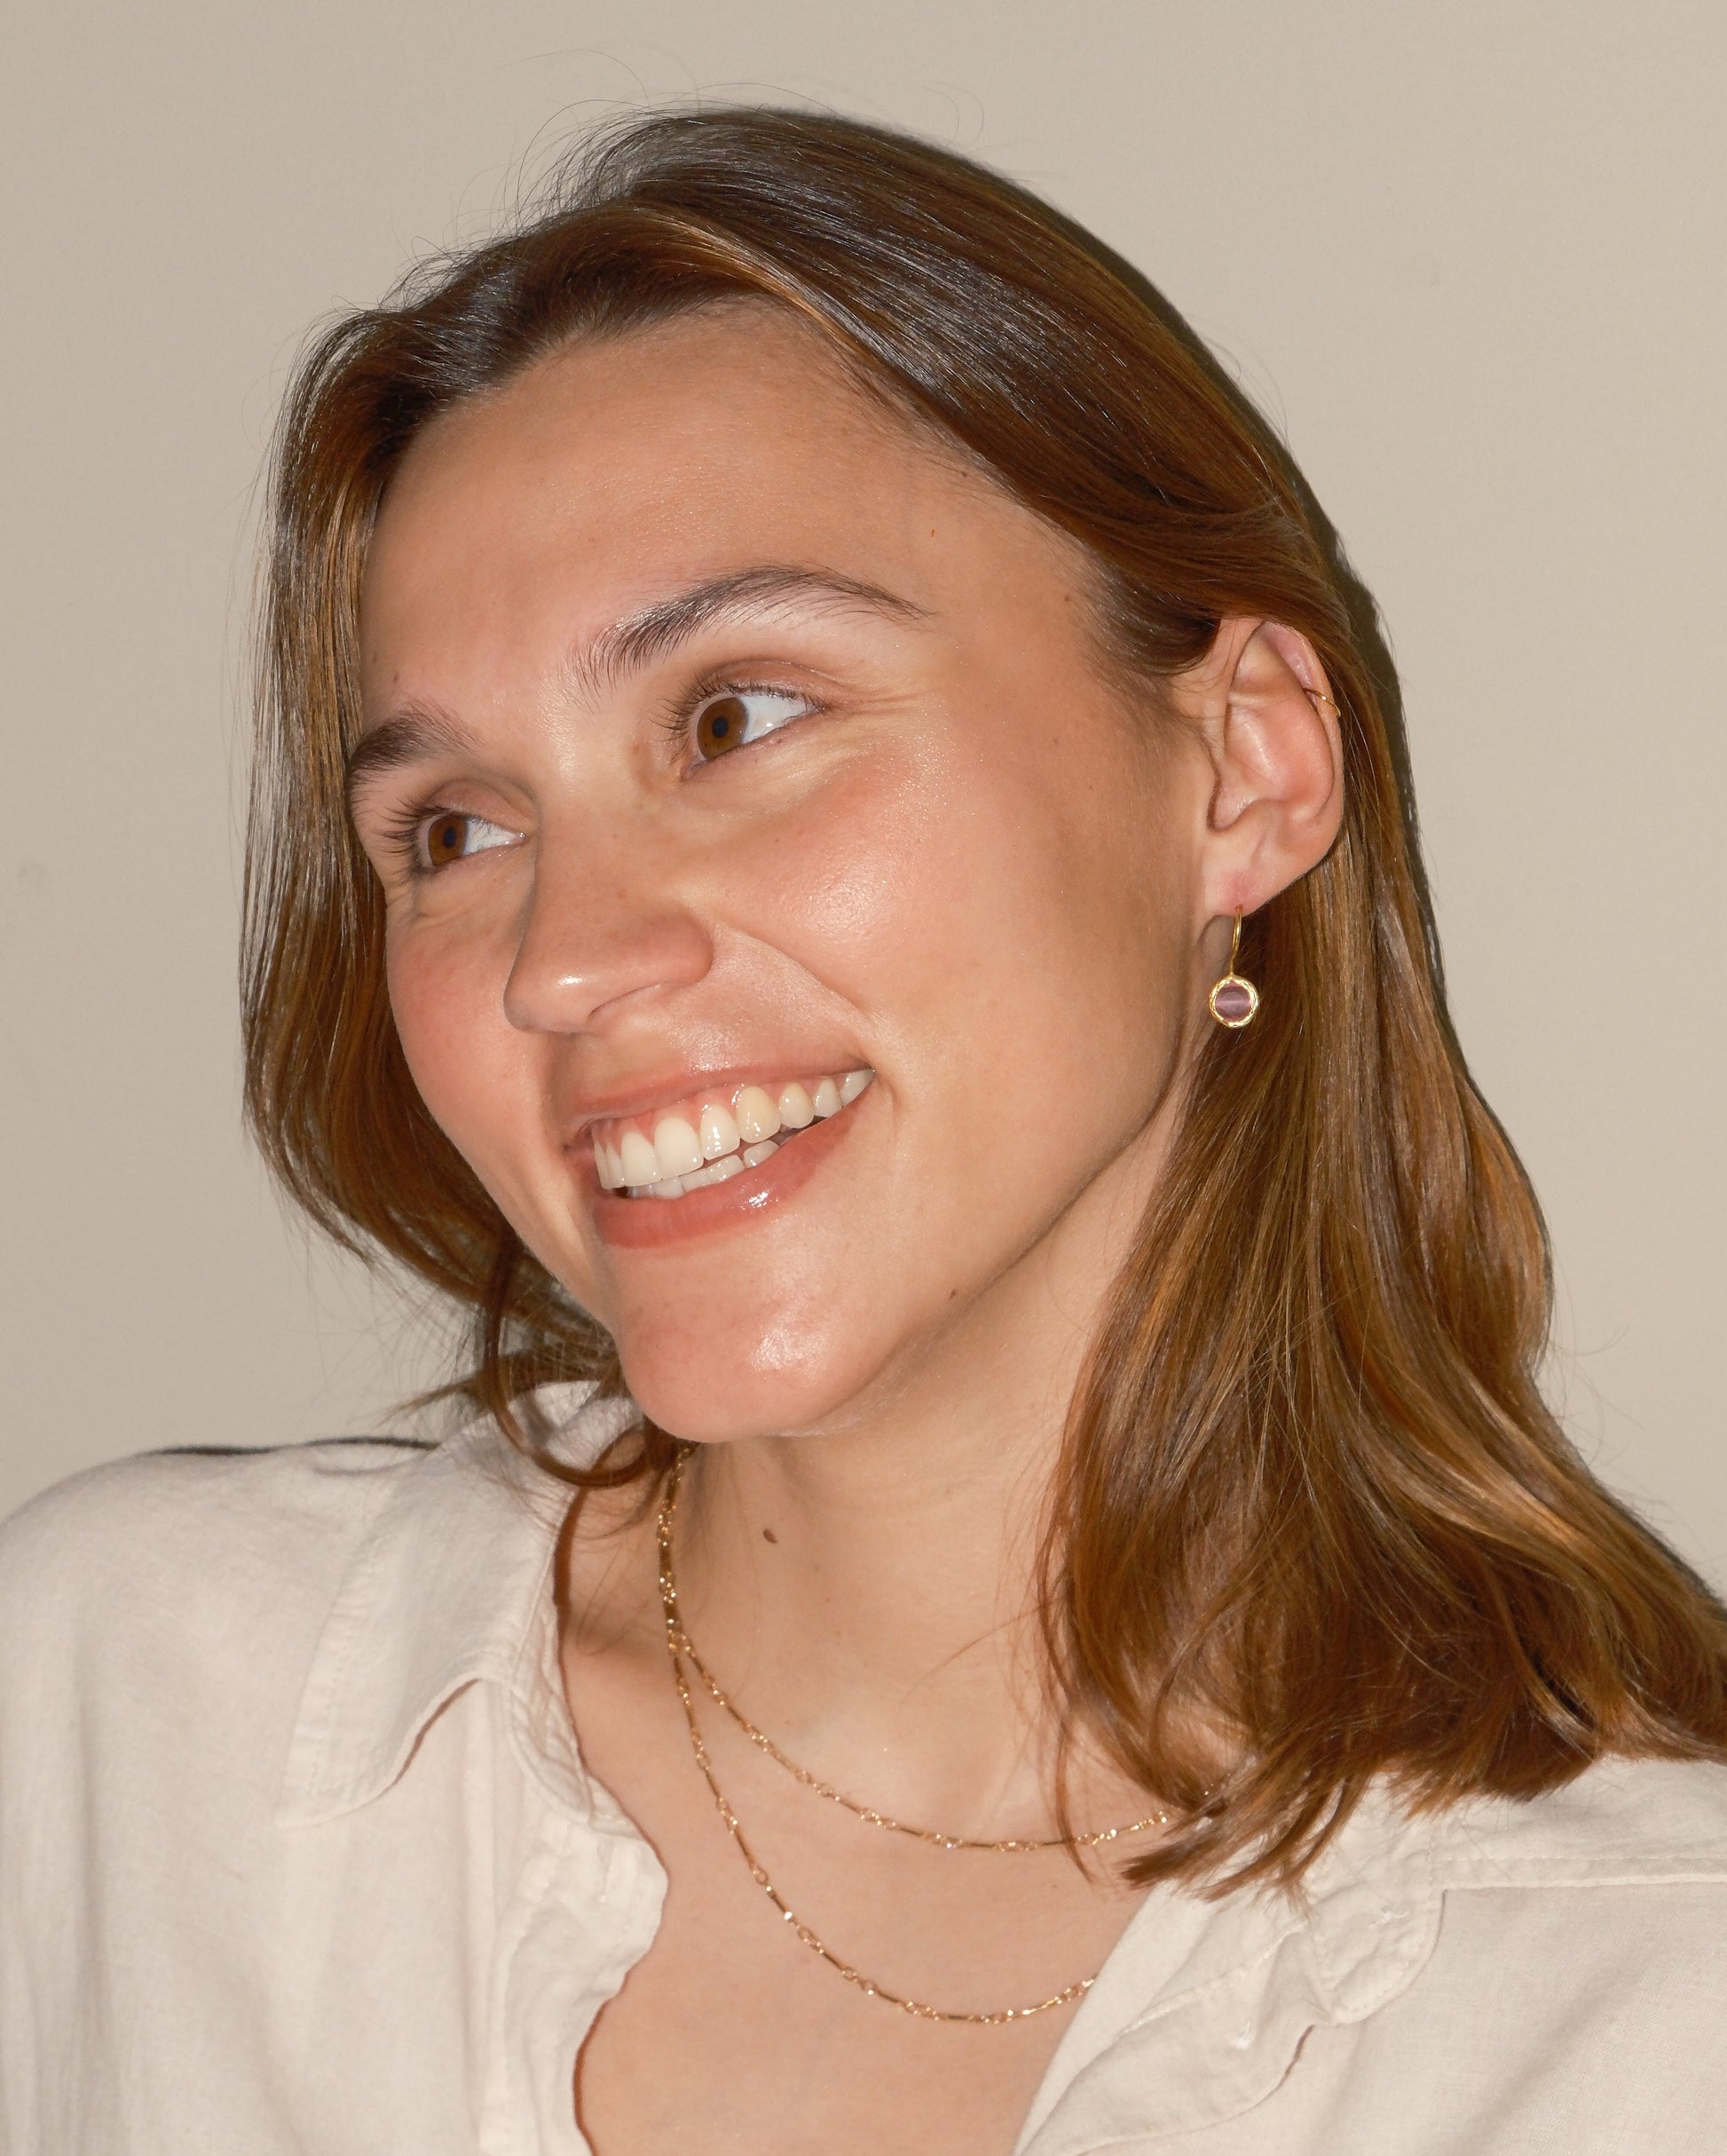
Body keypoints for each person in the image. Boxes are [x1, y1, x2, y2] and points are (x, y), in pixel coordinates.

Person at [3, 105, 1725, 2156]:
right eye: (452, 829)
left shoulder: (1642, 2011)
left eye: (735, 717)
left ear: (1242, 772)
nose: (566, 960)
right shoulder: (125, 1729)